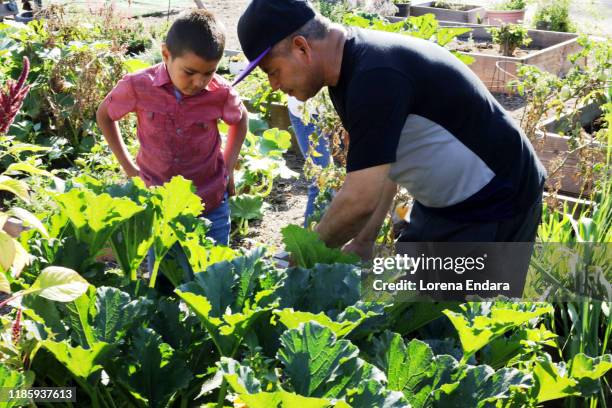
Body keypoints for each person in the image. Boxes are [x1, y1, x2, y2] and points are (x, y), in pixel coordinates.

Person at [234, 0, 546, 262]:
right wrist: (365, 240)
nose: (274, 85)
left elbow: (359, 199)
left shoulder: (375, 77)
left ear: (302, 48)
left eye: (272, 72)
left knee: (458, 322)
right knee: (411, 305)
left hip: (498, 202)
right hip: (445, 203)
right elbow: (381, 169)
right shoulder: (348, 74)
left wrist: (304, 256)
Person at [97, 10, 248, 275]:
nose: (199, 82)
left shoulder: (220, 93)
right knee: (165, 277)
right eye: (190, 72)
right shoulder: (138, 86)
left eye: (209, 73)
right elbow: (105, 115)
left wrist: (229, 166)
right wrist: (130, 168)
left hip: (209, 199)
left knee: (214, 275)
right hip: (160, 203)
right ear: (166, 54)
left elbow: (241, 119)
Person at [287, 95, 332, 226]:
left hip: (337, 111)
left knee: (337, 179)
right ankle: (310, 240)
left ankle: (330, 233)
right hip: (309, 113)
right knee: (322, 180)